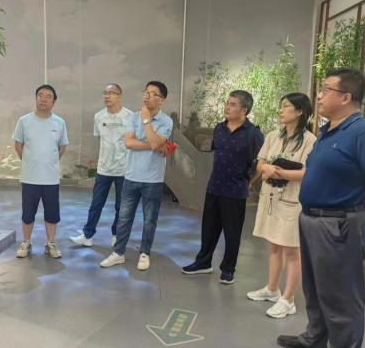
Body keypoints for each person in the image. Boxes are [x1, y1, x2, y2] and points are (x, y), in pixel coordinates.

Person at [277, 69, 365, 348]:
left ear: (346, 97)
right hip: (313, 218)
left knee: (341, 296)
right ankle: (315, 337)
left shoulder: (364, 133)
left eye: (326, 90)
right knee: (315, 288)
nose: (319, 95)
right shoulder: (327, 131)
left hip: (340, 223)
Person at [182, 91, 264, 285]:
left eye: (233, 104)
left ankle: (228, 269)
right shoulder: (219, 128)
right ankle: (203, 262)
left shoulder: (253, 133)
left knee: (232, 233)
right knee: (208, 230)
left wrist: (249, 181)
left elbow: (262, 163)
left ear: (244, 110)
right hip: (214, 187)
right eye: (227, 103)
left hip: (235, 192)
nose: (227, 107)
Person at [247, 94, 317, 319]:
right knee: (274, 247)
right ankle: (272, 289)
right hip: (271, 199)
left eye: (286, 106)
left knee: (292, 252)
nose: (281, 110)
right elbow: (261, 162)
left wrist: (278, 172)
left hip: (292, 201)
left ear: (299, 111)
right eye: (281, 106)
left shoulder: (309, 140)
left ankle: (288, 300)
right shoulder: (273, 136)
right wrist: (265, 169)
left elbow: (308, 173)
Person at [100, 82, 173, 271]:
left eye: (152, 94)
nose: (147, 96)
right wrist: (154, 144)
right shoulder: (133, 117)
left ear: (162, 100)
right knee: (124, 218)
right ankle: (118, 253)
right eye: (146, 92)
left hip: (153, 179)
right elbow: (129, 143)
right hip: (131, 176)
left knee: (149, 220)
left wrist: (147, 122)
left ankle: (144, 253)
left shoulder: (166, 121)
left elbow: (155, 143)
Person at [70, 84, 133, 248]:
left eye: (111, 93)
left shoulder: (130, 117)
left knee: (121, 206)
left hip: (123, 169)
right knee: (96, 204)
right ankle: (87, 235)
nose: (107, 96)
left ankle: (116, 235)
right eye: (105, 93)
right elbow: (101, 141)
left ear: (120, 96)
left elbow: (132, 142)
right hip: (104, 169)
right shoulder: (98, 116)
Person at [14, 85, 69, 259]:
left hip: (51, 179)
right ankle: (26, 242)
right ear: (36, 98)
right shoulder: (24, 121)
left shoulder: (59, 122)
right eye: (40, 95)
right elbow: (18, 145)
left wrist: (49, 163)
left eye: (48, 96)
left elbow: (62, 147)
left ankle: (50, 243)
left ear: (54, 101)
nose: (44, 99)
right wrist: (30, 162)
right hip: (30, 178)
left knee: (52, 214)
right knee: (27, 214)